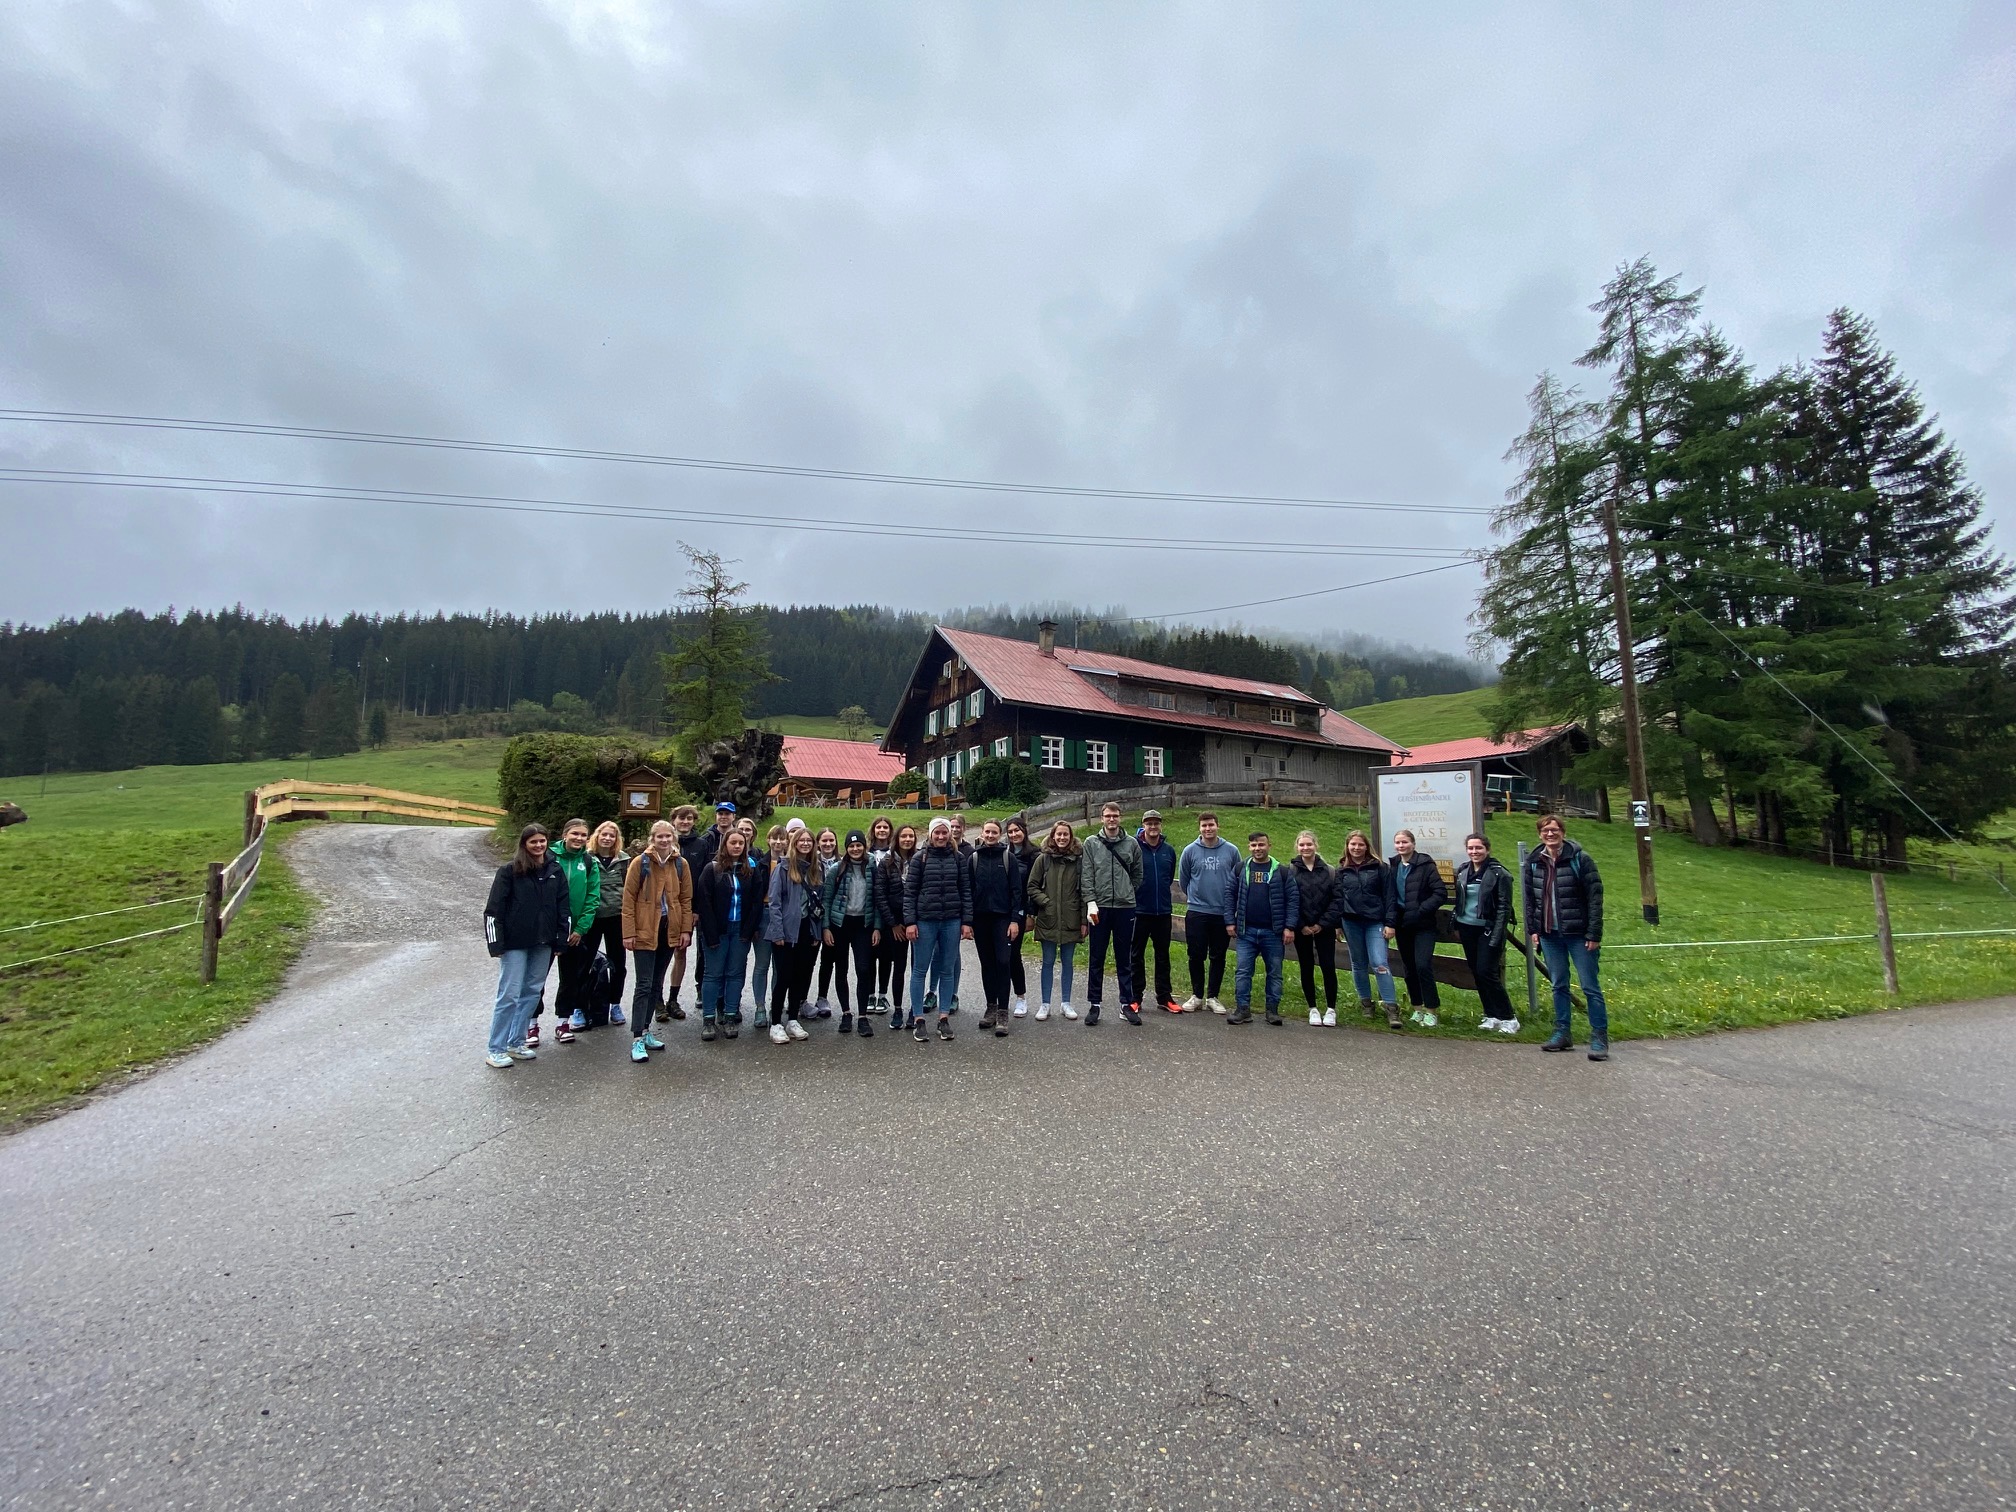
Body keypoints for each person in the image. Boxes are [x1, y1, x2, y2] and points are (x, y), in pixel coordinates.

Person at [482, 824, 572, 1067]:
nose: (539, 845)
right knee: (509, 995)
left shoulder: (555, 870)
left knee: (532, 992)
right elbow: (493, 910)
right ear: (524, 844)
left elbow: (564, 909)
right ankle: (496, 1048)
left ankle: (516, 1042)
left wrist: (561, 939)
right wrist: (496, 944)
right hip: (514, 944)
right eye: (533, 842)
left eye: (542, 841)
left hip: (543, 943)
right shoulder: (509, 872)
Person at [1522, 814, 1608, 1060]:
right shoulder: (1534, 861)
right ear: (1539, 834)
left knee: (1590, 986)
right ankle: (1562, 1033)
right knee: (1558, 984)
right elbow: (1530, 899)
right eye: (1545, 830)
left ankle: (1599, 1038)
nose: (1550, 834)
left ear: (1562, 832)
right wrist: (1534, 930)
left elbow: (1595, 897)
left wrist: (1594, 933)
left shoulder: (1580, 859)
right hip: (1549, 934)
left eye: (1554, 829)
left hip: (1579, 934)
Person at [621, 820, 694, 1062]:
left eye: (668, 837)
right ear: (652, 839)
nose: (664, 841)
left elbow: (685, 900)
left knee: (656, 983)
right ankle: (637, 1037)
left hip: (668, 929)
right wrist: (628, 932)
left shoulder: (680, 864)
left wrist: (685, 931)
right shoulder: (640, 863)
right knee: (643, 984)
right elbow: (628, 900)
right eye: (659, 837)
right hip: (645, 929)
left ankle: (647, 1030)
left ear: (673, 838)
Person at [903, 816, 971, 1042]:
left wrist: (966, 922)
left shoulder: (959, 858)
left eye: (944, 833)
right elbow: (910, 892)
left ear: (950, 835)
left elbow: (965, 891)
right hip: (925, 921)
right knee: (920, 970)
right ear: (930, 835)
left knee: (947, 969)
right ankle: (919, 1019)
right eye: (937, 833)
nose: (941, 836)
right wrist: (910, 922)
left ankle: (943, 1018)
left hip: (951, 920)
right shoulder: (919, 859)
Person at [694, 826, 761, 1040]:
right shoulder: (712, 870)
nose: (737, 846)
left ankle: (730, 1015)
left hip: (740, 929)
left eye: (741, 843)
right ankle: (708, 1020)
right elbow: (703, 902)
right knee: (713, 974)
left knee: (735, 974)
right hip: (718, 930)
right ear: (725, 845)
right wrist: (711, 933)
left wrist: (749, 930)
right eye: (733, 843)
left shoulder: (750, 870)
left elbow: (756, 903)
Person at [1081, 801, 1145, 1027]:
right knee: (1096, 957)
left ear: (1120, 818)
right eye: (1107, 816)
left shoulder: (1132, 844)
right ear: (1102, 818)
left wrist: (1126, 892)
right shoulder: (1091, 843)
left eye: (1115, 816)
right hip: (1099, 908)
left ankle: (1127, 1003)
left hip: (1124, 907)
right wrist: (1090, 902)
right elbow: (1086, 875)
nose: (1111, 820)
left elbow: (1137, 874)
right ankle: (1094, 1004)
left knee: (1124, 957)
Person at [1328, 829, 1400, 1026]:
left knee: (1379, 962)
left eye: (1360, 845)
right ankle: (1366, 1003)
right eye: (1353, 845)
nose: (1356, 848)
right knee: (1358, 963)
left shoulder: (1380, 868)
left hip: (1375, 921)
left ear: (1367, 847)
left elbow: (1390, 896)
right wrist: (1337, 924)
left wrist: (1390, 923)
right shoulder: (1341, 870)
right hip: (1351, 922)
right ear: (1347, 846)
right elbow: (1337, 899)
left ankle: (1391, 1006)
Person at [1452, 832, 1519, 1035]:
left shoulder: (1500, 874)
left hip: (1488, 929)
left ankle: (1508, 1016)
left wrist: (1498, 934)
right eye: (1471, 848)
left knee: (1487, 972)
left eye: (1478, 848)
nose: (1474, 852)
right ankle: (1491, 1015)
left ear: (1487, 849)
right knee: (1476, 973)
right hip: (1467, 927)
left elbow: (1504, 908)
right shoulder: (1463, 871)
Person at [1229, 831, 1298, 1025]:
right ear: (1249, 847)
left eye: (1261, 845)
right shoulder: (1240, 869)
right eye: (1253, 846)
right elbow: (1229, 895)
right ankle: (1242, 1009)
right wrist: (1229, 921)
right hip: (1246, 931)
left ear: (1269, 846)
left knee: (1274, 972)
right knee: (1243, 972)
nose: (1257, 849)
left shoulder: (1282, 871)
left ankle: (1272, 1011)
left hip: (1273, 933)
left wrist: (1289, 927)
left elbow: (1293, 900)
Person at [543, 818, 601, 1046]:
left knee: (570, 979)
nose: (578, 838)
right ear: (565, 835)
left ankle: (563, 1022)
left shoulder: (588, 862)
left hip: (574, 933)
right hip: (547, 931)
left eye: (583, 835)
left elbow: (592, 897)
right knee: (536, 980)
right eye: (574, 834)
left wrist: (580, 929)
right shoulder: (548, 857)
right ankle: (531, 1025)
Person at [764, 827, 825, 1044]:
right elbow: (775, 903)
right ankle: (776, 1023)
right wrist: (778, 932)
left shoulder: (816, 870)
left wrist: (817, 932)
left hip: (807, 929)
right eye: (802, 840)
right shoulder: (782, 869)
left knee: (801, 976)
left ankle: (792, 1019)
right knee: (784, 977)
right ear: (794, 843)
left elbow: (819, 905)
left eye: (809, 840)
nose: (806, 844)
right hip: (786, 931)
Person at [1177, 813, 1241, 1014]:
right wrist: (1197, 897)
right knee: (1195, 954)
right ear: (1199, 828)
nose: (1208, 829)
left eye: (1211, 825)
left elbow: (1237, 879)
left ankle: (1213, 996)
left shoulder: (1231, 851)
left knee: (1218, 955)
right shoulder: (1190, 851)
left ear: (1217, 826)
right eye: (1204, 826)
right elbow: (1185, 880)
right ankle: (1196, 995)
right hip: (1197, 911)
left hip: (1221, 913)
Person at [820, 829, 880, 1036]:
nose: (855, 849)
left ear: (864, 846)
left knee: (864, 969)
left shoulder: (872, 867)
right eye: (851, 846)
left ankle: (863, 1015)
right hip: (840, 924)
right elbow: (826, 900)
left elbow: (878, 900)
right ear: (846, 848)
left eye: (859, 845)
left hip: (863, 924)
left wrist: (877, 927)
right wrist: (826, 927)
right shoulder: (837, 869)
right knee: (841, 968)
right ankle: (846, 1013)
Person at [1025, 820, 1086, 1020]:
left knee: (1068, 962)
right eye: (1058, 835)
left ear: (1070, 837)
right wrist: (1046, 902)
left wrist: (1084, 920)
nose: (1061, 838)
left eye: (1065, 835)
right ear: (1053, 836)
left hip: (1071, 918)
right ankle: (1045, 1003)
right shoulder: (1043, 859)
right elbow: (1032, 885)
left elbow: (1086, 891)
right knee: (1048, 961)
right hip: (1048, 917)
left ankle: (1066, 1003)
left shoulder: (1079, 860)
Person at [969, 820, 1025, 1036]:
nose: (990, 835)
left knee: (1003, 962)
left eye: (994, 832)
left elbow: (1016, 891)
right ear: (982, 834)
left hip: (1003, 919)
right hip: (981, 919)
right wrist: (968, 921)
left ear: (1000, 835)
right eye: (987, 832)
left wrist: (1014, 920)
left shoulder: (1007, 857)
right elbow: (968, 890)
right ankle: (991, 1007)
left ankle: (1003, 1010)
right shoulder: (974, 859)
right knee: (987, 964)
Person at [1389, 828, 1450, 1027]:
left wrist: (1422, 909)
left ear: (1413, 844)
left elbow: (1440, 892)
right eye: (1398, 843)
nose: (1401, 846)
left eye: (1405, 842)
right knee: (1409, 967)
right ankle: (1417, 1008)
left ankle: (1431, 1010)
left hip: (1423, 925)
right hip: (1402, 924)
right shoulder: (1394, 865)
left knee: (1423, 965)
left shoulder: (1425, 864)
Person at [576, 821, 631, 1031]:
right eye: (604, 835)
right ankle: (579, 1007)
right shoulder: (586, 858)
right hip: (591, 918)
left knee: (618, 963)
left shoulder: (624, 861)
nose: (607, 839)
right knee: (584, 962)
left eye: (612, 836)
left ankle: (615, 1004)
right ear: (597, 836)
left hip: (616, 917)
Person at [1287, 830, 1339, 1026]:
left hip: (1323, 928)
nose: (1305, 848)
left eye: (1309, 844)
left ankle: (1331, 1008)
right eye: (1302, 845)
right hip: (1302, 929)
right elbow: (1289, 899)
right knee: (1306, 966)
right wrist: (1301, 925)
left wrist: (1322, 924)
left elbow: (1336, 900)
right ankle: (1313, 1008)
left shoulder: (1330, 871)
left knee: (1328, 966)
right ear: (1297, 847)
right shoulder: (1290, 871)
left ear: (1316, 845)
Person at [1130, 809, 1178, 1014]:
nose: (1153, 827)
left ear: (1161, 826)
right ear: (1143, 825)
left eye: (1156, 823)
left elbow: (1170, 875)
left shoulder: (1168, 850)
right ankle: (1135, 996)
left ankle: (1164, 996)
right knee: (1136, 955)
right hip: (1139, 911)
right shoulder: (1134, 848)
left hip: (1162, 912)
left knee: (1163, 956)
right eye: (1149, 823)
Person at [874, 823, 920, 1030]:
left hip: (918, 922)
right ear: (897, 839)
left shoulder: (921, 859)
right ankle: (899, 1009)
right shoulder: (886, 862)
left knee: (917, 968)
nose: (907, 840)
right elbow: (880, 895)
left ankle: (915, 1010)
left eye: (911, 836)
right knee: (899, 967)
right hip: (895, 923)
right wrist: (892, 924)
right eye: (904, 836)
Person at [1003, 817, 1040, 1017]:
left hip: (1020, 911)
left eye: (1017, 830)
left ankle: (1021, 997)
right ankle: (1000, 1000)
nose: (1014, 834)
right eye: (1010, 832)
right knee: (999, 957)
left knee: (1013, 955)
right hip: (1001, 911)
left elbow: (1034, 887)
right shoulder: (1004, 852)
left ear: (1024, 831)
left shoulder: (1034, 855)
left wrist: (1030, 914)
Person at [750, 825, 788, 1017]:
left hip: (783, 916)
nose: (778, 842)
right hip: (764, 915)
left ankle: (777, 1004)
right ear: (768, 840)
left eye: (782, 839)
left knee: (779, 965)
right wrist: (753, 923)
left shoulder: (791, 864)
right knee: (762, 964)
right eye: (775, 838)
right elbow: (754, 897)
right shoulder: (760, 865)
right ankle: (759, 1007)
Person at [863, 816, 898, 1013]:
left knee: (886, 957)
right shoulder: (866, 853)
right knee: (869, 956)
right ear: (874, 830)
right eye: (879, 827)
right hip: (868, 910)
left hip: (888, 912)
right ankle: (870, 994)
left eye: (886, 827)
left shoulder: (893, 854)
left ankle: (883, 995)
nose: (882, 830)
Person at [811, 827, 842, 1019]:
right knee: (807, 960)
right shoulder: (811, 862)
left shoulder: (842, 863)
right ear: (818, 843)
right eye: (824, 841)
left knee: (828, 960)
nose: (828, 844)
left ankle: (822, 997)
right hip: (813, 918)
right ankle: (800, 999)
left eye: (831, 840)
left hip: (834, 919)